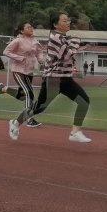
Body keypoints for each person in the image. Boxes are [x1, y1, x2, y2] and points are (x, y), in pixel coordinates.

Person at [32, 13, 93, 143]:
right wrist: (76, 41)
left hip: (66, 79)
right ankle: (16, 121)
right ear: (55, 24)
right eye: (64, 20)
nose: (68, 22)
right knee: (40, 108)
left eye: (68, 20)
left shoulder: (64, 38)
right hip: (53, 79)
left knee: (84, 101)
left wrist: (75, 42)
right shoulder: (55, 37)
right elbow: (67, 55)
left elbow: (70, 51)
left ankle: (75, 132)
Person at [0, 22, 46, 140]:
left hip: (29, 72)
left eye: (31, 27)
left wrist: (40, 59)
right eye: (28, 27)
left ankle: (4, 89)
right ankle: (28, 119)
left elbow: (39, 51)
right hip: (18, 70)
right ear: (22, 31)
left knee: (25, 96)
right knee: (29, 94)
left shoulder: (35, 41)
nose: (31, 28)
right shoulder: (18, 41)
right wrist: (19, 58)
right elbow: (6, 52)